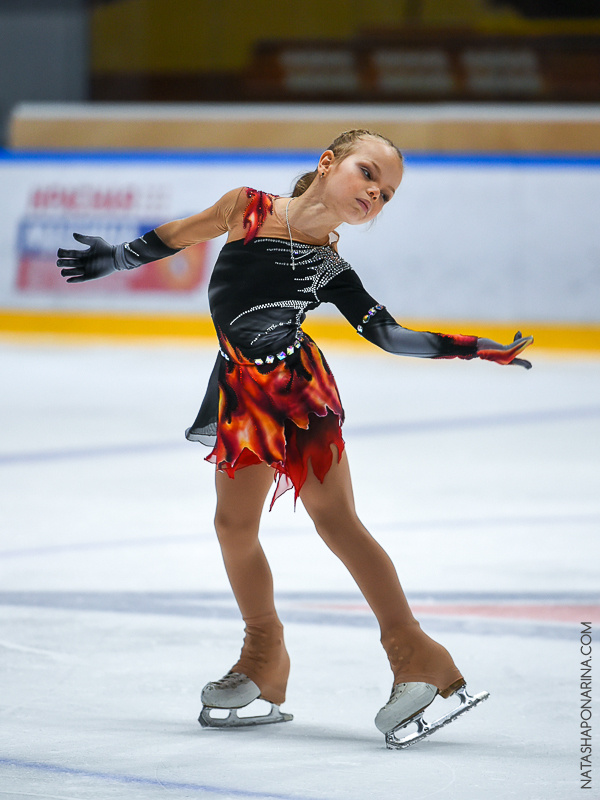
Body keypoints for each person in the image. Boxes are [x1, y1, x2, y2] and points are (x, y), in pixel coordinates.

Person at [57, 129, 532, 747]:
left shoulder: (329, 266)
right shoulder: (245, 208)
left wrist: (471, 350)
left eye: (386, 194)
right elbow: (179, 233)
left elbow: (388, 335)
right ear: (327, 162)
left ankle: (416, 655)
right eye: (367, 174)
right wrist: (116, 258)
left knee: (335, 520)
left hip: (298, 395)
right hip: (241, 392)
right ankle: (264, 657)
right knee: (233, 527)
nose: (374, 195)